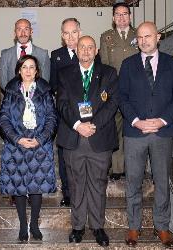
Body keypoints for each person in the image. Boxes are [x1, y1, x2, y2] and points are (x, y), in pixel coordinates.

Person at [119, 21, 173, 248]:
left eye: (148, 36)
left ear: (158, 37)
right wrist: (137, 122)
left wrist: (162, 120)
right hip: (134, 133)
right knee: (133, 182)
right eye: (140, 37)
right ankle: (134, 227)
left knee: (162, 183)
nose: (144, 40)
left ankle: (162, 227)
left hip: (162, 132)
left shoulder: (172, 64)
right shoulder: (127, 65)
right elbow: (122, 98)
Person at [56, 35, 118, 246]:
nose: (85, 50)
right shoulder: (65, 74)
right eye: (82, 47)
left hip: (98, 138)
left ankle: (98, 227)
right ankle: (78, 226)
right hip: (74, 138)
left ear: (96, 51)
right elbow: (62, 104)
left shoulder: (109, 73)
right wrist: (77, 125)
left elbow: (112, 104)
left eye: (90, 47)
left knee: (98, 185)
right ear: (76, 49)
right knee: (76, 184)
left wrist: (93, 125)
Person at [0, 55, 57, 242]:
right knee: (19, 186)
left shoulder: (45, 91)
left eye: (32, 67)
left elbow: (51, 118)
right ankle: (23, 226)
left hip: (39, 145)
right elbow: (4, 118)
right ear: (19, 70)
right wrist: (17, 139)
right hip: (17, 146)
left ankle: (34, 225)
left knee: (36, 186)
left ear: (37, 71)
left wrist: (39, 139)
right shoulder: (11, 91)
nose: (28, 70)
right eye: (25, 67)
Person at [99, 2, 139, 181]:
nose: (122, 17)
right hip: (115, 90)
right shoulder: (106, 37)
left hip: (135, 91)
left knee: (133, 128)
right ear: (113, 17)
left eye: (125, 14)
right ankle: (116, 167)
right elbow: (106, 66)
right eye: (118, 14)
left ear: (130, 16)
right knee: (114, 127)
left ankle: (133, 166)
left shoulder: (138, 34)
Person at [50, 17, 82, 207]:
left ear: (80, 32)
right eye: (66, 33)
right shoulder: (56, 55)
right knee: (64, 155)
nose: (70, 37)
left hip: (86, 114)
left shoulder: (90, 51)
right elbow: (54, 84)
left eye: (74, 32)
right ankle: (68, 192)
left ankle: (83, 189)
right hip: (64, 114)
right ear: (62, 35)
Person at [0, 18, 50, 90]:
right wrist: (16, 96)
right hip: (12, 98)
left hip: (35, 99)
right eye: (19, 29)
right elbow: (3, 82)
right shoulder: (5, 55)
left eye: (26, 29)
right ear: (15, 33)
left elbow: (45, 82)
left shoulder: (43, 54)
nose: (23, 33)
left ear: (31, 31)